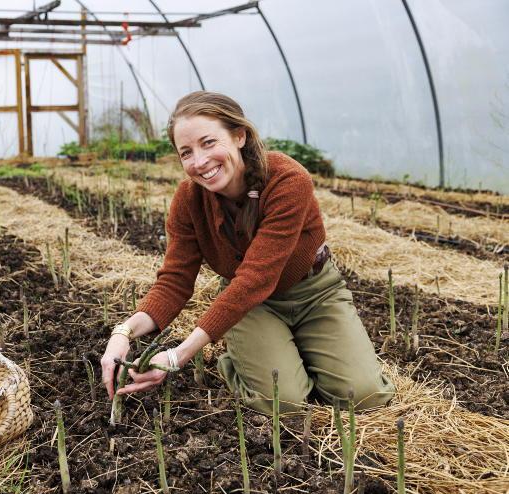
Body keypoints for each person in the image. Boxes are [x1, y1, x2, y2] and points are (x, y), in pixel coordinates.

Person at [100, 91, 395, 414]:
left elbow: (258, 275)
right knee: (285, 404)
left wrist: (177, 356)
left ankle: (293, 352)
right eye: (186, 152)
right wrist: (123, 331)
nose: (199, 162)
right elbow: (174, 282)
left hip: (315, 293)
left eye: (209, 142)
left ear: (239, 136)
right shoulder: (188, 200)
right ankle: (244, 357)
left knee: (365, 396)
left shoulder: (287, 180)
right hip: (251, 307)